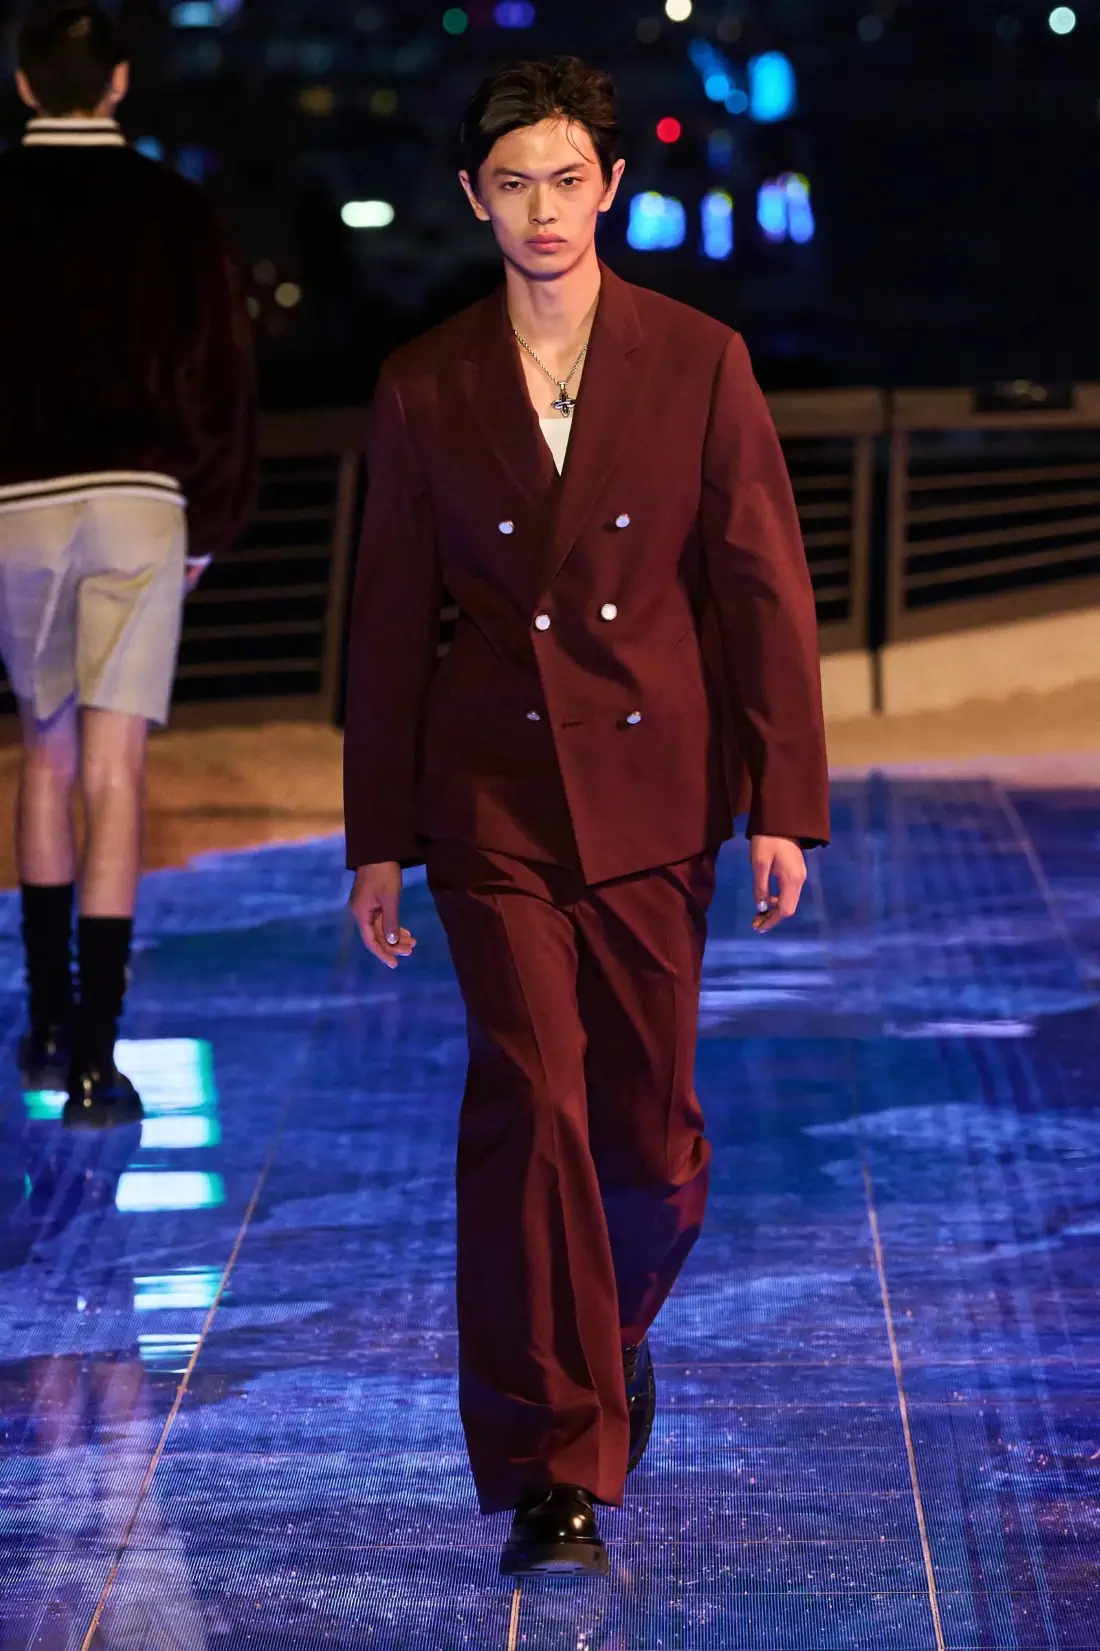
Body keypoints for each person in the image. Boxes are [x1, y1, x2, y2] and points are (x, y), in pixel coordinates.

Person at [344, 56, 829, 1577]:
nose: (542, 210)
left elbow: (760, 588)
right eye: (513, 184)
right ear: (472, 197)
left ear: (610, 186)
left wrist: (783, 801)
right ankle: (554, 1462)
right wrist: (377, 836)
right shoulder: (425, 381)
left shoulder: (698, 359)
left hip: (655, 791)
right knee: (533, 1108)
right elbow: (388, 621)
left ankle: (604, 1333)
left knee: (649, 1139)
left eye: (566, 179)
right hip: (491, 797)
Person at [0, 3, 256, 1111]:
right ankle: (98, 1059)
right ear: (116, 82)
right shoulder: (176, 209)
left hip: (16, 504)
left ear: (22, 85)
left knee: (45, 759)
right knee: (115, 770)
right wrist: (210, 522)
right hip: (140, 502)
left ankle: (46, 1023)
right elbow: (223, 379)